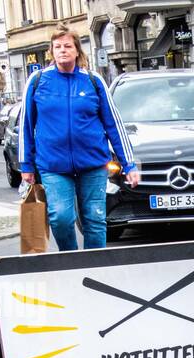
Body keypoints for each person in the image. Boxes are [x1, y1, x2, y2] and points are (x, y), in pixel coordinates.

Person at [17, 26, 138, 251]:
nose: (63, 50)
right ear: (51, 52)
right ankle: (71, 261)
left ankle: (95, 266)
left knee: (95, 218)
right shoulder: (37, 81)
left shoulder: (93, 81)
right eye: (58, 47)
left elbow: (114, 124)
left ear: (77, 51)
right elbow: (26, 125)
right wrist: (26, 164)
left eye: (68, 46)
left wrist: (128, 164)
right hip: (53, 165)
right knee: (61, 218)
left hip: (93, 164)